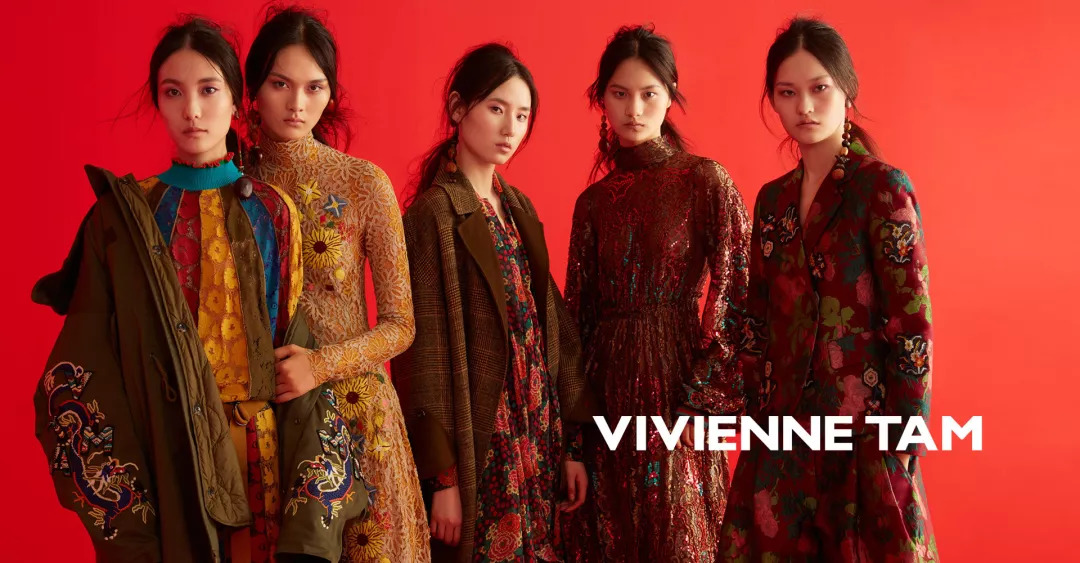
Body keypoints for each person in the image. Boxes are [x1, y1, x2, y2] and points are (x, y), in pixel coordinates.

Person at [32, 17, 368, 562]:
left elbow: (293, 349)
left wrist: (308, 511)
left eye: (208, 90)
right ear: (158, 102)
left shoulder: (274, 212)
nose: (192, 110)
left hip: (262, 456)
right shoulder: (125, 219)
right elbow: (86, 364)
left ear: (237, 100)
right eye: (173, 92)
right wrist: (129, 500)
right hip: (169, 459)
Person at [717, 17, 937, 562]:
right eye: (787, 93)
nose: (805, 107)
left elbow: (911, 324)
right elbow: (758, 316)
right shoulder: (772, 201)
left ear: (847, 90)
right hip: (781, 439)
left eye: (819, 89)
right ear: (773, 100)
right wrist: (753, 412)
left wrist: (904, 440)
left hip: (862, 436)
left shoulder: (882, 188)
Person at [391, 43, 595, 562]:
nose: (510, 128)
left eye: (522, 115)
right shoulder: (433, 215)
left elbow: (553, 327)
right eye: (497, 108)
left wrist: (572, 445)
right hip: (485, 436)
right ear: (458, 108)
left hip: (537, 432)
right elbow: (420, 356)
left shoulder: (518, 206)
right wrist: (442, 480)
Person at [244, 7, 429, 562]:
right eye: (280, 84)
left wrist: (319, 366)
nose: (297, 104)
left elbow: (401, 326)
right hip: (264, 422)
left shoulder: (362, 182)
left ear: (331, 94)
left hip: (356, 415)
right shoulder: (233, 187)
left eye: (314, 87)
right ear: (252, 90)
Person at [561, 25, 751, 562]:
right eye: (620, 94)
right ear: (601, 99)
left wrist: (703, 402)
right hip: (605, 401)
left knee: (681, 543)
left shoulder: (703, 181)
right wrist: (572, 441)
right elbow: (576, 322)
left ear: (670, 97)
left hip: (677, 392)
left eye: (649, 94)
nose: (634, 109)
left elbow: (740, 290)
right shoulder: (592, 203)